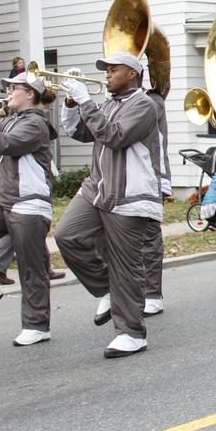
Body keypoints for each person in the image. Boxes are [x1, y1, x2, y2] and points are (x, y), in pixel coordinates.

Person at [54, 51, 163, 359]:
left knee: (125, 266)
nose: (107, 74)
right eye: (106, 69)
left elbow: (113, 136)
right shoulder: (108, 103)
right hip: (98, 187)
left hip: (128, 195)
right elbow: (80, 132)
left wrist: (86, 101)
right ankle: (106, 289)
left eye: (113, 70)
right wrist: (71, 104)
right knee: (67, 236)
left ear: (132, 73)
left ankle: (131, 332)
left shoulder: (145, 105)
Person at [0, 72, 58, 346]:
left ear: (30, 93)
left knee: (31, 269)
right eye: (6, 88)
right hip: (3, 199)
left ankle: (37, 325)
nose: (6, 92)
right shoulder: (10, 119)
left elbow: (3, 144)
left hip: (29, 202)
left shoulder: (36, 124)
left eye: (13, 88)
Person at [142, 87, 171, 318]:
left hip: (152, 177)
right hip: (123, 182)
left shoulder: (152, 100)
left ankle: (152, 294)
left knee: (149, 239)